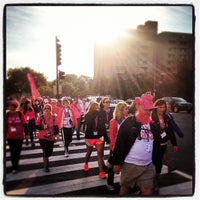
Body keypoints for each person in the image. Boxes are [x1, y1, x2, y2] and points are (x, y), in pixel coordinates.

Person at [113, 93, 157, 195]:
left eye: (150, 109)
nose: (148, 112)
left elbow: (156, 143)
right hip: (130, 164)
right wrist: (117, 163)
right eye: (145, 108)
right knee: (125, 189)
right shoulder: (129, 122)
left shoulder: (152, 124)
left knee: (148, 191)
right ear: (138, 106)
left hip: (148, 165)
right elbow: (119, 142)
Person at [151, 99, 178, 193]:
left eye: (164, 107)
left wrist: (174, 143)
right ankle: (144, 184)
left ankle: (155, 183)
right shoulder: (151, 117)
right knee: (150, 165)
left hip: (162, 145)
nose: (162, 109)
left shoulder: (167, 117)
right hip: (152, 146)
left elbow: (170, 131)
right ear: (156, 107)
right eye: (160, 107)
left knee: (158, 166)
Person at [106, 102, 129, 191]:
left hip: (126, 148)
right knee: (112, 166)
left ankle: (126, 184)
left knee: (126, 166)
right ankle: (109, 183)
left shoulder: (127, 120)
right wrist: (114, 149)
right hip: (116, 147)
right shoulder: (114, 121)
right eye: (126, 109)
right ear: (120, 110)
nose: (128, 110)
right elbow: (112, 137)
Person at [83, 101, 107, 179]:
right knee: (88, 153)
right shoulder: (88, 115)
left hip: (99, 137)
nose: (97, 109)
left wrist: (106, 137)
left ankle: (101, 171)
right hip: (90, 137)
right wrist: (93, 115)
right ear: (92, 107)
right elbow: (88, 124)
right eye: (96, 107)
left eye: (98, 107)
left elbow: (103, 126)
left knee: (99, 154)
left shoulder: (100, 115)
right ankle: (86, 163)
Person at [6, 99, 29, 174]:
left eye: (11, 106)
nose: (9, 107)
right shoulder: (7, 114)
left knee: (17, 152)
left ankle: (16, 165)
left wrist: (27, 134)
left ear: (14, 106)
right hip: (10, 137)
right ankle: (14, 167)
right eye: (9, 106)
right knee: (12, 152)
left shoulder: (19, 113)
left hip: (19, 137)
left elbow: (25, 124)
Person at [35, 103, 59, 172]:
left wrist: (57, 135)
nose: (47, 110)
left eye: (48, 109)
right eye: (46, 109)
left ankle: (46, 159)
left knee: (49, 152)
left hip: (51, 137)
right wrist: (42, 127)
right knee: (45, 151)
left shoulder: (53, 117)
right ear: (44, 109)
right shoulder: (41, 117)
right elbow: (36, 126)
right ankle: (46, 166)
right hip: (42, 137)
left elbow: (56, 127)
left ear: (50, 110)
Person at [163, 102, 184, 173]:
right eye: (167, 107)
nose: (169, 109)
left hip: (165, 138)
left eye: (169, 107)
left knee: (164, 153)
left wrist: (180, 133)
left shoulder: (169, 116)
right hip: (158, 139)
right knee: (162, 153)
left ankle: (169, 168)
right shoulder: (160, 116)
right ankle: (169, 168)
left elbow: (174, 126)